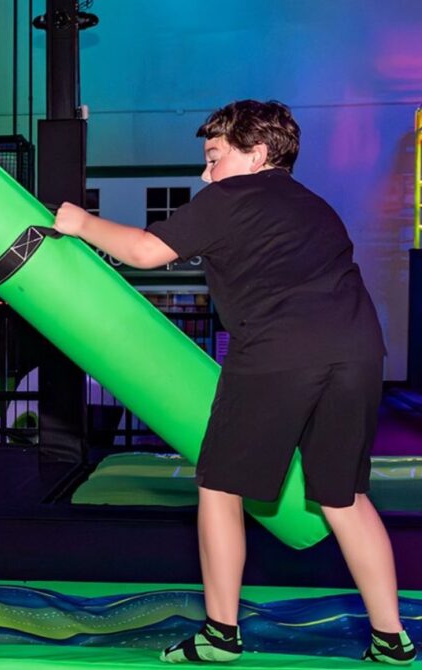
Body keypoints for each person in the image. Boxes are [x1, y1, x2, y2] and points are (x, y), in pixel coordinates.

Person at [54, 100, 414, 666]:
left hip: (278, 351)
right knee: (344, 497)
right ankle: (391, 639)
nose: (206, 173)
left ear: (257, 153)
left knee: (220, 489)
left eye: (214, 158)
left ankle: (220, 635)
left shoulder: (231, 197)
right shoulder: (317, 207)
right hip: (359, 352)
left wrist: (80, 223)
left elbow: (147, 251)